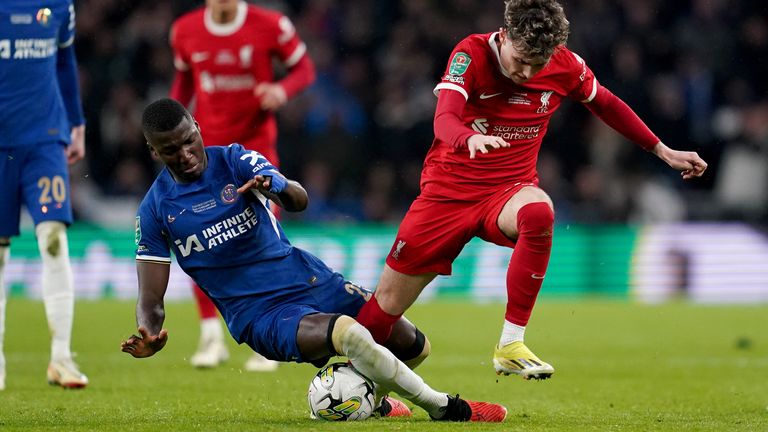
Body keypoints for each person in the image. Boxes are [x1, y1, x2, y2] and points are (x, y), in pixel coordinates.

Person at [356, 0, 708, 380]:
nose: (525, 72)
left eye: (536, 65)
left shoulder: (566, 66)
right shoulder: (471, 53)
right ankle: (346, 378)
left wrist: (661, 149)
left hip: (508, 189)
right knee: (385, 309)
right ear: (504, 36)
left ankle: (510, 343)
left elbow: (605, 103)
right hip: (447, 195)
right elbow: (444, 118)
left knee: (539, 211)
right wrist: (465, 140)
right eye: (520, 59)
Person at [120, 98, 507, 423]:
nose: (185, 155)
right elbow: (151, 297)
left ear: (198, 128)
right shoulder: (155, 211)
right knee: (348, 333)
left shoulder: (235, 160)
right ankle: (443, 408)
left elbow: (299, 201)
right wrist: (148, 331)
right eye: (171, 150)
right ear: (154, 151)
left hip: (309, 279)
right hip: (259, 314)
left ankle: (365, 401)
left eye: (189, 141)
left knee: (413, 345)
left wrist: (278, 187)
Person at [169, 0, 316, 371]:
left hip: (254, 149)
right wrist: (168, 125)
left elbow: (304, 68)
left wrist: (282, 91)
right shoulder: (184, 31)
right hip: (203, 153)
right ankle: (211, 337)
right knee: (198, 241)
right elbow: (184, 82)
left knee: (261, 240)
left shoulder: (271, 25)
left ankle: (268, 339)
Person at [0, 0, 89, 390]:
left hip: (45, 140)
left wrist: (77, 122)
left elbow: (65, 62)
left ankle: (62, 357)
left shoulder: (59, 6)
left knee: (53, 237)